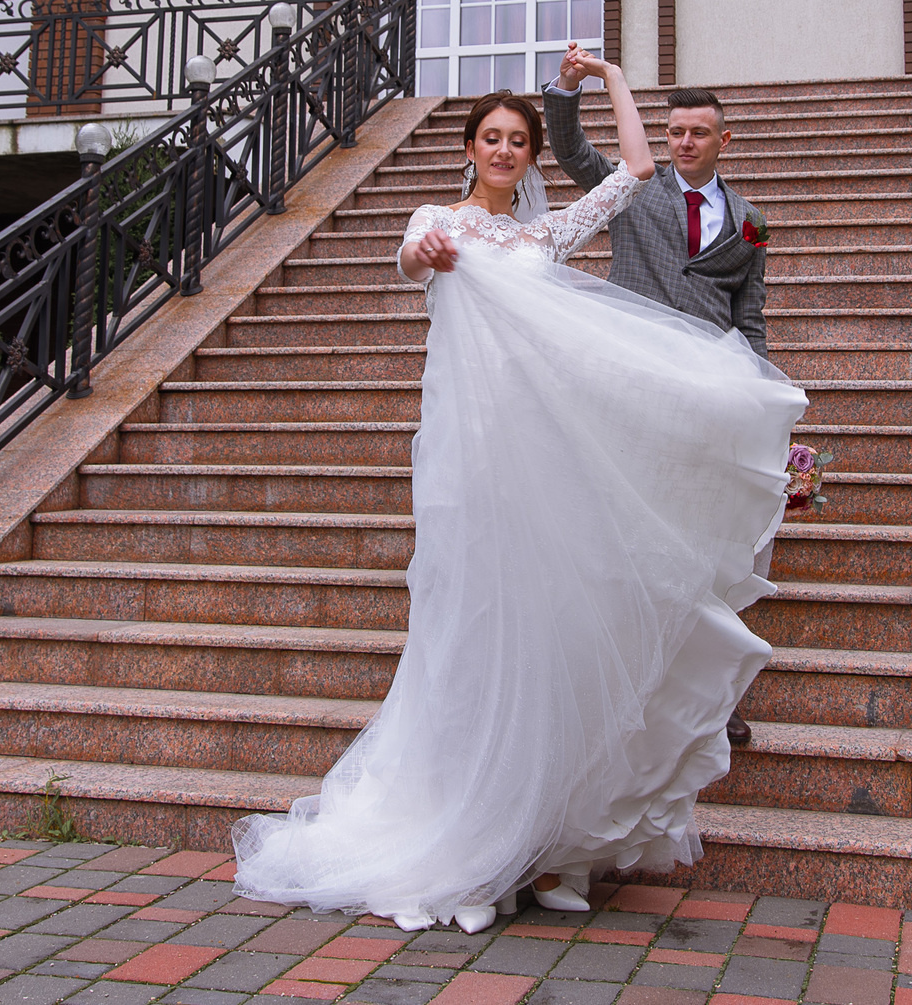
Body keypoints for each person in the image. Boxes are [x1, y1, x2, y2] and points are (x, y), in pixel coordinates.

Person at [230, 67, 807, 935]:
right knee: (475, 639)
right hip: (472, 474)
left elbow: (636, 171)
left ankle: (551, 846)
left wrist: (608, 78)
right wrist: (424, 255)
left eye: (519, 141)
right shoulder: (435, 225)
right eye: (492, 138)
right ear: (470, 148)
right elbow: (410, 257)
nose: (504, 151)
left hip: (551, 475)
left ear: (530, 156)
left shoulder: (543, 240)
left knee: (557, 641)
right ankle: (475, 840)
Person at [542, 49, 775, 744]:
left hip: (711, 404)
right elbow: (572, 149)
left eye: (697, 132)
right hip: (636, 391)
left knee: (709, 550)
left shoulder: (751, 219)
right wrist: (566, 87)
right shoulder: (634, 185)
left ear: (722, 140)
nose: (683, 141)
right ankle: (629, 683)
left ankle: (712, 694)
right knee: (640, 544)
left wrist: (762, 407)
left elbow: (751, 317)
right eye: (674, 131)